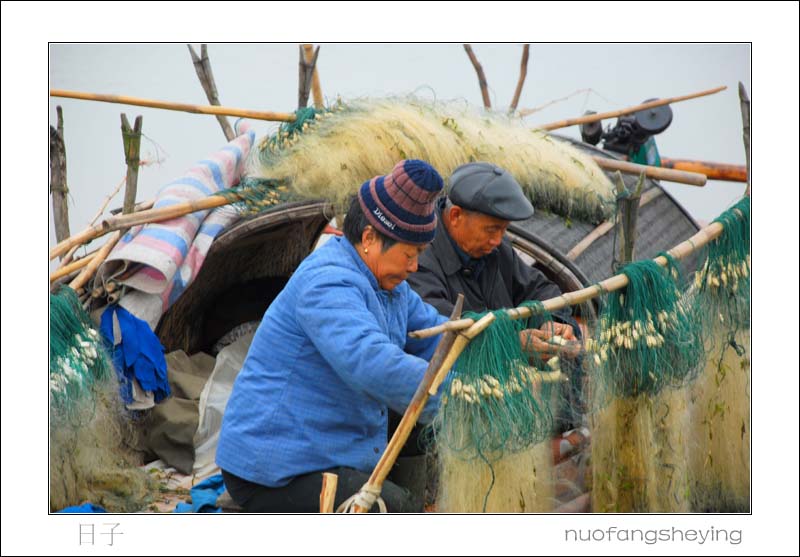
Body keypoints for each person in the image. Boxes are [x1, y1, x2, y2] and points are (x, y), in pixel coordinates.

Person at [216, 159, 448, 513]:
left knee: (427, 447)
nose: (415, 266)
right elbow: (372, 363)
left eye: (419, 255)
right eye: (409, 254)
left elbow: (436, 333)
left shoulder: (393, 287)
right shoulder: (328, 282)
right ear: (369, 238)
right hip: (277, 470)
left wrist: (500, 346)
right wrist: (457, 395)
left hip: (332, 449)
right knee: (397, 510)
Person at [407, 162, 584, 427]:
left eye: (503, 230)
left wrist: (552, 322)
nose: (498, 239)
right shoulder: (417, 257)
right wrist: (513, 344)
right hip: (447, 416)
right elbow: (440, 326)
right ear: (455, 216)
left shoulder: (496, 248)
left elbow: (540, 289)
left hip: (506, 405)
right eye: (492, 230)